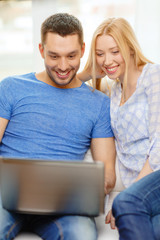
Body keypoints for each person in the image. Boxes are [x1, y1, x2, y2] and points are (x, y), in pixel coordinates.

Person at [0, 13, 116, 240]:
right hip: (6, 198)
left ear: (83, 50)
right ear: (41, 50)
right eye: (54, 56)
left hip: (66, 207)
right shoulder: (11, 87)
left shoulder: (99, 103)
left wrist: (92, 188)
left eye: (71, 56)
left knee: (82, 236)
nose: (63, 66)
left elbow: (108, 174)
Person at [77, 17, 160, 238]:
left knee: (126, 205)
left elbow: (158, 144)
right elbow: (67, 87)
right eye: (100, 53)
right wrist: (88, 72)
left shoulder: (154, 76)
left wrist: (129, 195)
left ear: (130, 49)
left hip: (152, 180)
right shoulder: (113, 91)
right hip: (143, 193)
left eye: (115, 51)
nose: (107, 60)